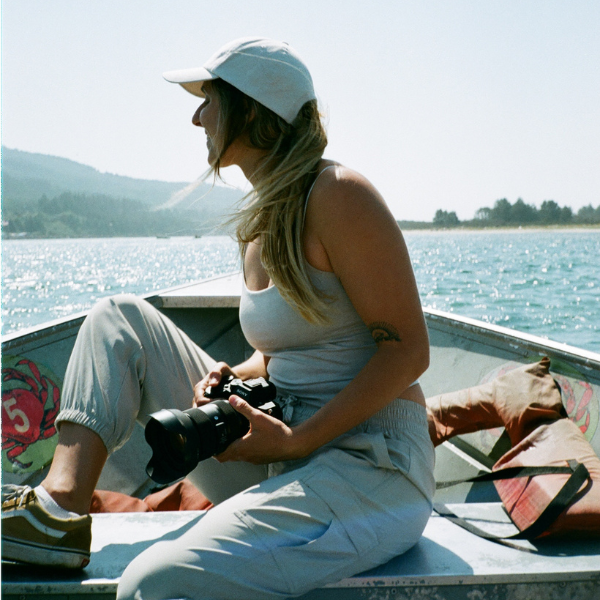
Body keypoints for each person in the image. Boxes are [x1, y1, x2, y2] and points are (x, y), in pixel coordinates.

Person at [2, 37, 435, 599]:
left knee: (152, 586)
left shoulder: (338, 195)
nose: (196, 116)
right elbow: (288, 351)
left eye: (209, 100)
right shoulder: (261, 224)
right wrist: (242, 373)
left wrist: (296, 441)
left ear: (251, 111)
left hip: (372, 467)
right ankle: (57, 511)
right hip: (279, 444)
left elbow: (408, 350)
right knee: (119, 319)